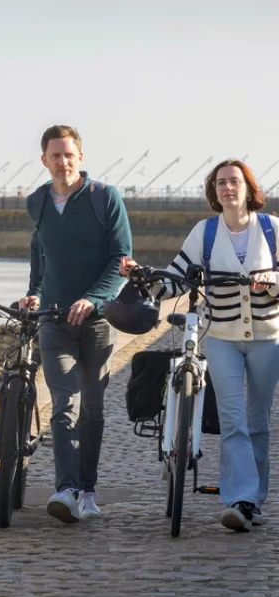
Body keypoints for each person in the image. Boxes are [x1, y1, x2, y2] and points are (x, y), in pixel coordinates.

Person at [119, 159, 279, 533]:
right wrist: (145, 277)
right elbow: (178, 279)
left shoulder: (271, 229)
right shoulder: (205, 233)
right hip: (220, 337)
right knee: (233, 419)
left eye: (234, 181)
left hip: (267, 339)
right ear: (214, 191)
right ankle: (238, 501)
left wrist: (272, 280)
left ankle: (255, 500)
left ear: (248, 187)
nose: (228, 188)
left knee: (258, 421)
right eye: (221, 182)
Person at [19, 125, 132, 523]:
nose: (62, 162)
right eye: (55, 156)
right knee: (64, 405)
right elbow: (39, 256)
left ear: (80, 157)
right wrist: (33, 292)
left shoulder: (105, 198)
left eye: (69, 155)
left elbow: (121, 259)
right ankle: (65, 490)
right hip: (53, 321)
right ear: (44, 160)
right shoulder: (37, 202)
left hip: (98, 323)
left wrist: (93, 298)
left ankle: (87, 489)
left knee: (93, 410)